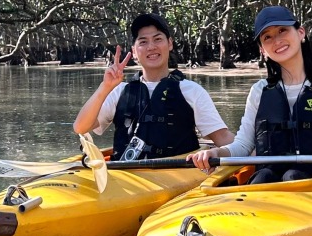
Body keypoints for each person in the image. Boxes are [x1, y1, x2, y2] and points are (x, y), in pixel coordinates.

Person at [189, 5, 312, 183]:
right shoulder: (258, 91)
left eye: (282, 31)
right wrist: (216, 153)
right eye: (267, 37)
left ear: (301, 33)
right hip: (271, 185)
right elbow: (243, 146)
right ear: (262, 50)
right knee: (263, 177)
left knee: (293, 175)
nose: (277, 41)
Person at [73, 13, 234, 160]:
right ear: (134, 52)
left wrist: (254, 153)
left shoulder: (192, 91)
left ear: (169, 44)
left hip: (176, 176)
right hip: (123, 175)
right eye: (143, 42)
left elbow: (223, 138)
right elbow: (81, 127)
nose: (151, 47)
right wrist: (105, 87)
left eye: (158, 39)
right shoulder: (119, 91)